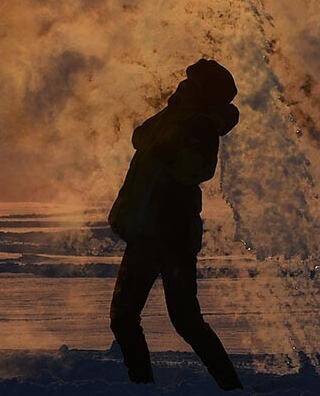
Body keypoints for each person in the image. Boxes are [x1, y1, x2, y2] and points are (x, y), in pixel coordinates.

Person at [107, 58, 244, 390]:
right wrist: (171, 114)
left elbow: (199, 171)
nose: (181, 87)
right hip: (148, 232)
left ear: (202, 93)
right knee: (135, 319)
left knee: (175, 320)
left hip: (169, 234)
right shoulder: (177, 118)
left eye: (190, 84)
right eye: (183, 83)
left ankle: (228, 386)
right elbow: (140, 138)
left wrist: (171, 151)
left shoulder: (200, 126)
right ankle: (148, 384)